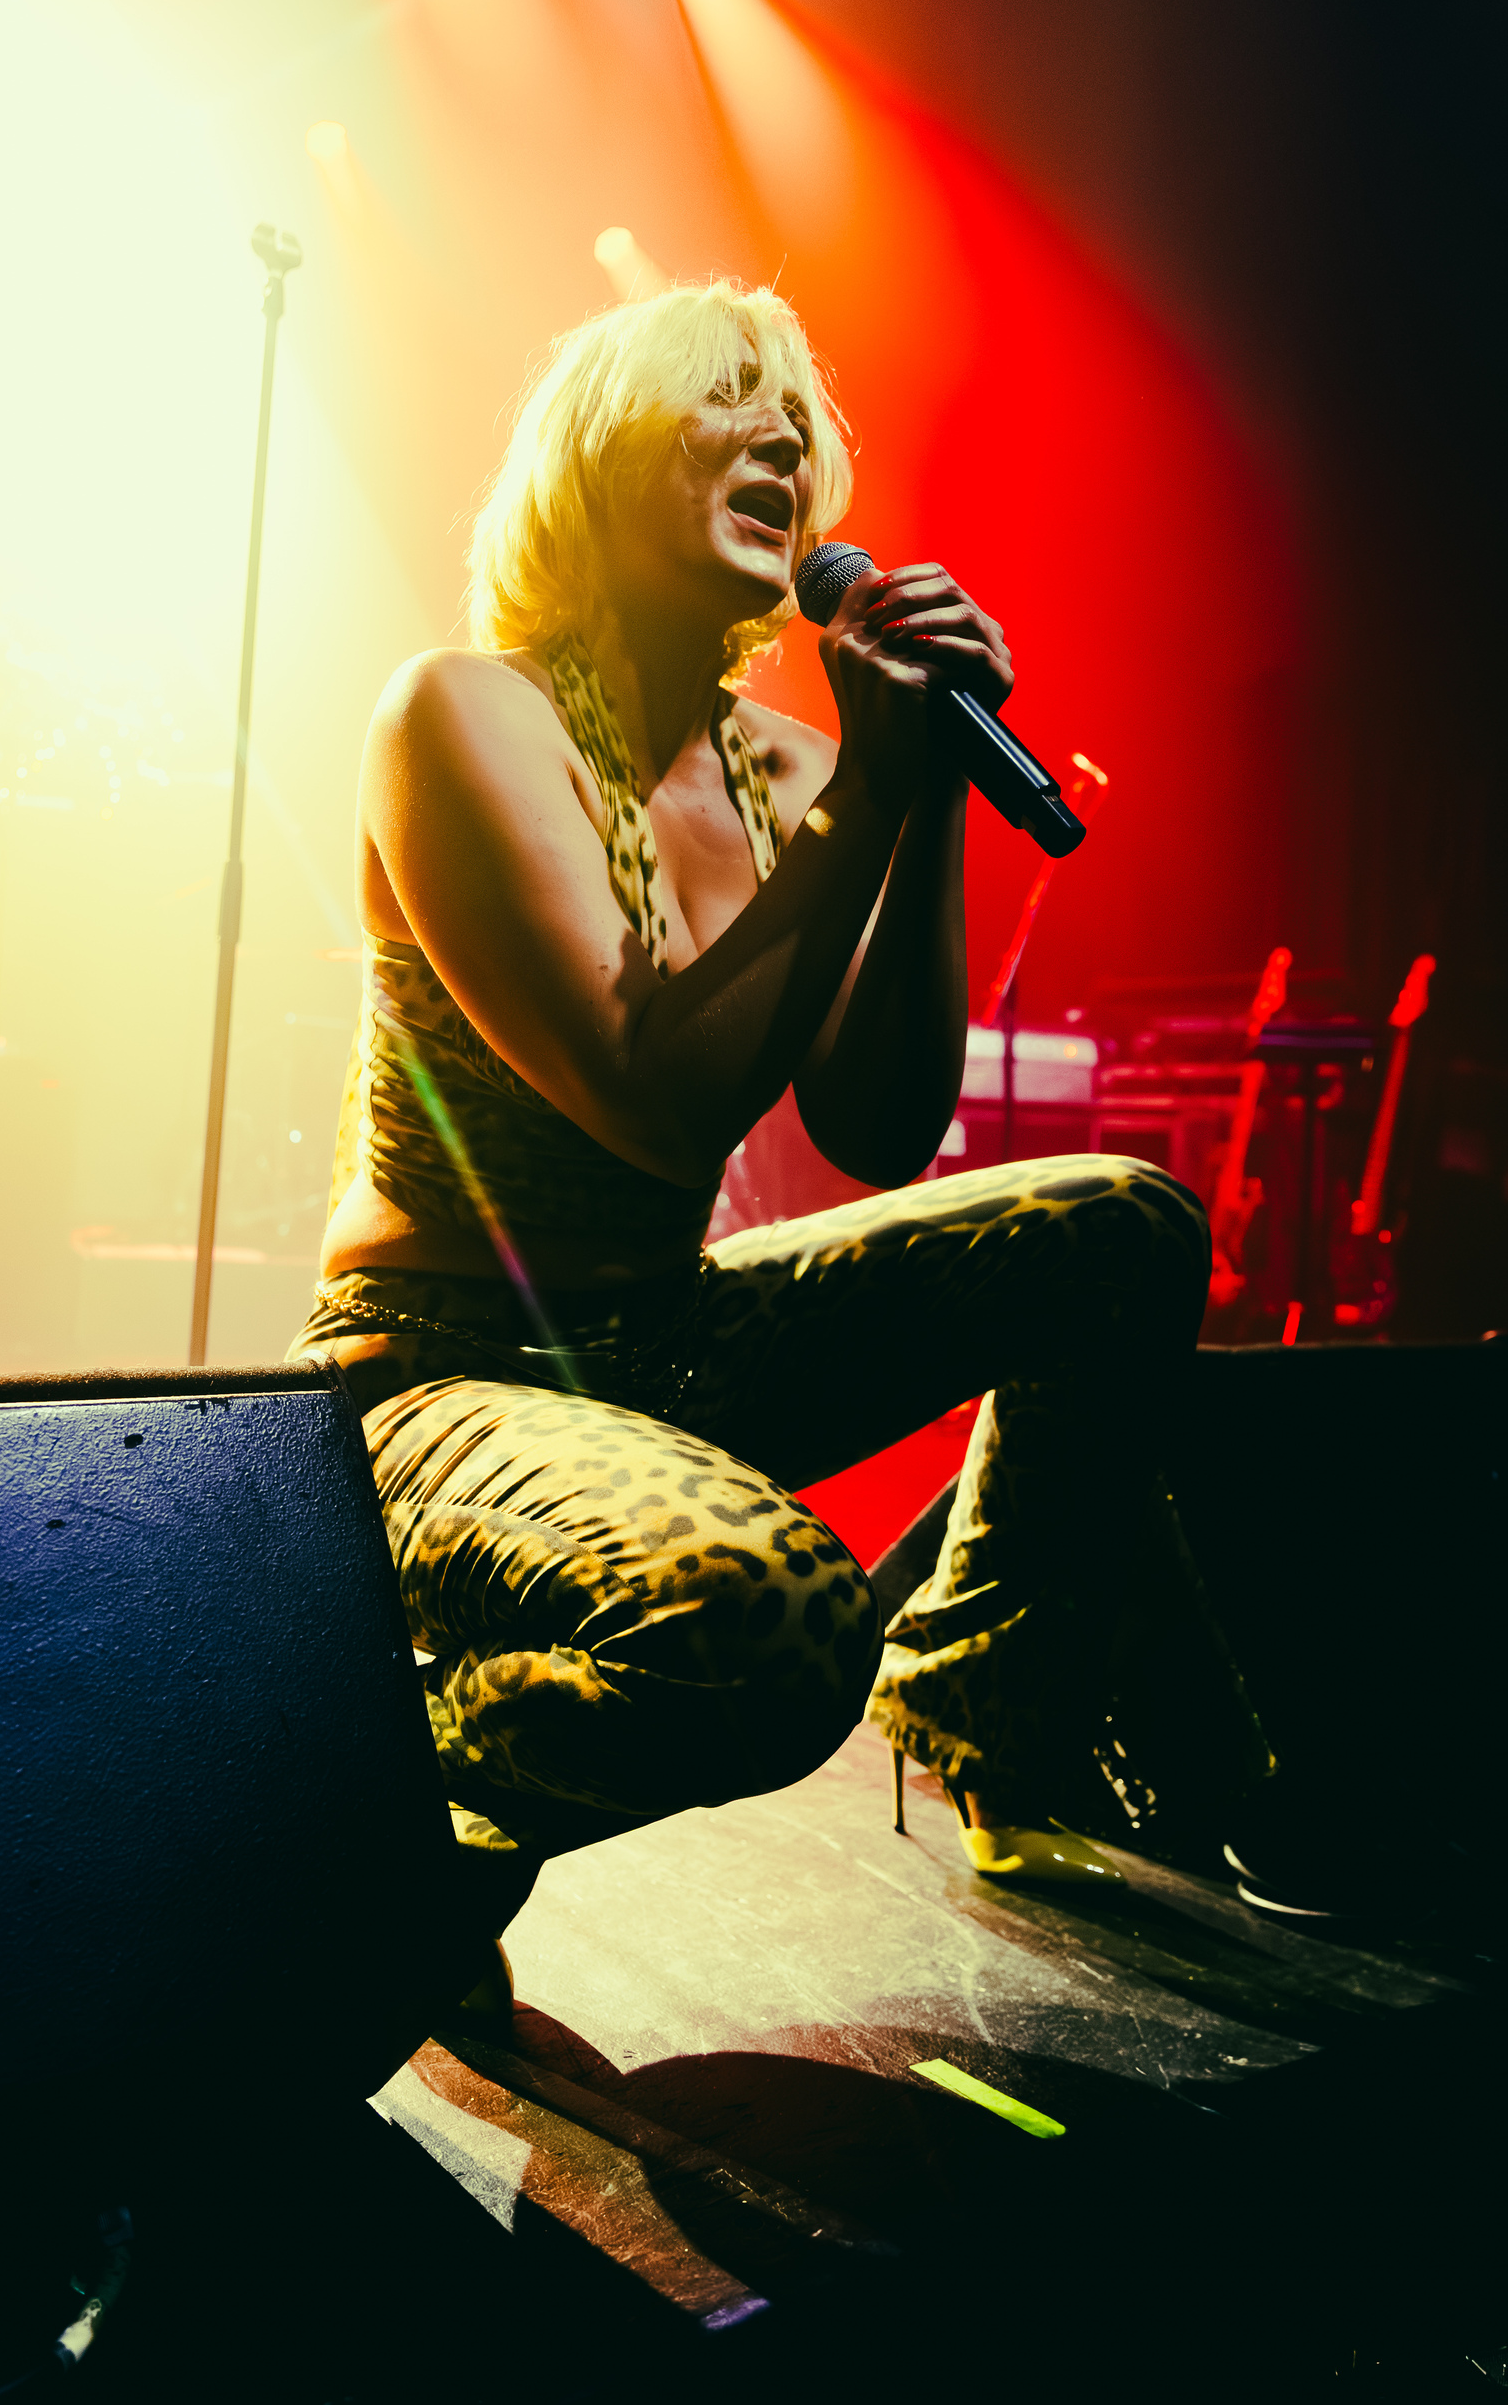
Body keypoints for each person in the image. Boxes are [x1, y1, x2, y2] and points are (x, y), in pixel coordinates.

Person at [288, 279, 1263, 1942]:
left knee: (1119, 1228)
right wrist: (868, 795)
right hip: (439, 1370)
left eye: (798, 419)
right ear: (597, 455)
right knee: (777, 1618)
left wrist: (922, 794)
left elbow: (877, 1128)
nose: (782, 438)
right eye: (725, 399)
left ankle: (986, 1712)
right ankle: (373, 1816)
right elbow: (653, 1107)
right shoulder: (463, 712)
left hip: (676, 1337)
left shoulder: (801, 769)